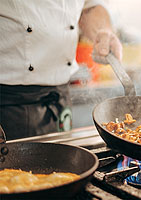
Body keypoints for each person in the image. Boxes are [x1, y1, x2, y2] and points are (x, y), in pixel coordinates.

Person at [0, 0, 122, 140]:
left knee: (64, 158)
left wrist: (103, 31)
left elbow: (89, 6)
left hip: (60, 97)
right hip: (8, 103)